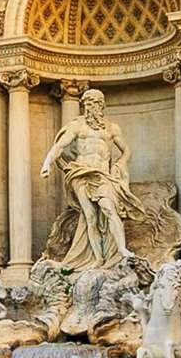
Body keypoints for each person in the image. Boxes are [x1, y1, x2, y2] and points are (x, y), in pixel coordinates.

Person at [39, 89, 142, 268]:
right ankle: (98, 258)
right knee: (90, 217)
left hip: (102, 175)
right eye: (86, 103)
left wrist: (120, 164)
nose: (89, 107)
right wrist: (47, 162)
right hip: (80, 172)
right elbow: (60, 146)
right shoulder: (77, 126)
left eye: (93, 103)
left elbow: (127, 151)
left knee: (109, 208)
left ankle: (121, 249)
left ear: (101, 105)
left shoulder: (112, 128)